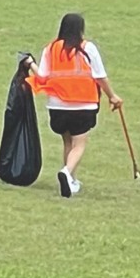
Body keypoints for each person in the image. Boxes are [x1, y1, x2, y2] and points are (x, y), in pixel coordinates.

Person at [26, 12, 122, 198]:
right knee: (79, 144)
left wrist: (31, 64)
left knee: (67, 141)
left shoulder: (51, 49)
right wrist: (113, 96)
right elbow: (99, 76)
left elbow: (43, 77)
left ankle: (71, 180)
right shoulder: (87, 48)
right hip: (83, 105)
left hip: (57, 107)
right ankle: (67, 173)